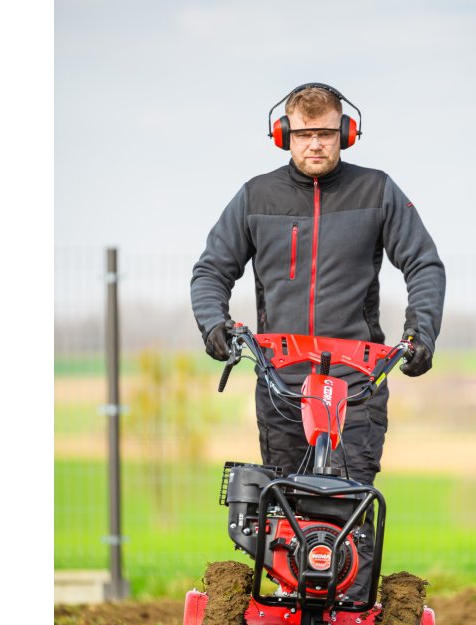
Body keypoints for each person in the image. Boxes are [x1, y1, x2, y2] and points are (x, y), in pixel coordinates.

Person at [190, 83, 445, 598]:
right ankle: (287, 610)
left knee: (349, 506)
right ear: (283, 134)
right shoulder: (256, 197)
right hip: (281, 381)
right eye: (304, 134)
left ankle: (353, 623)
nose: (315, 144)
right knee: (283, 506)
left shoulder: (376, 192)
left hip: (357, 382)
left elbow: (423, 263)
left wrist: (420, 333)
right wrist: (215, 325)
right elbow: (211, 270)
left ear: (345, 133)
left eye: (326, 133)